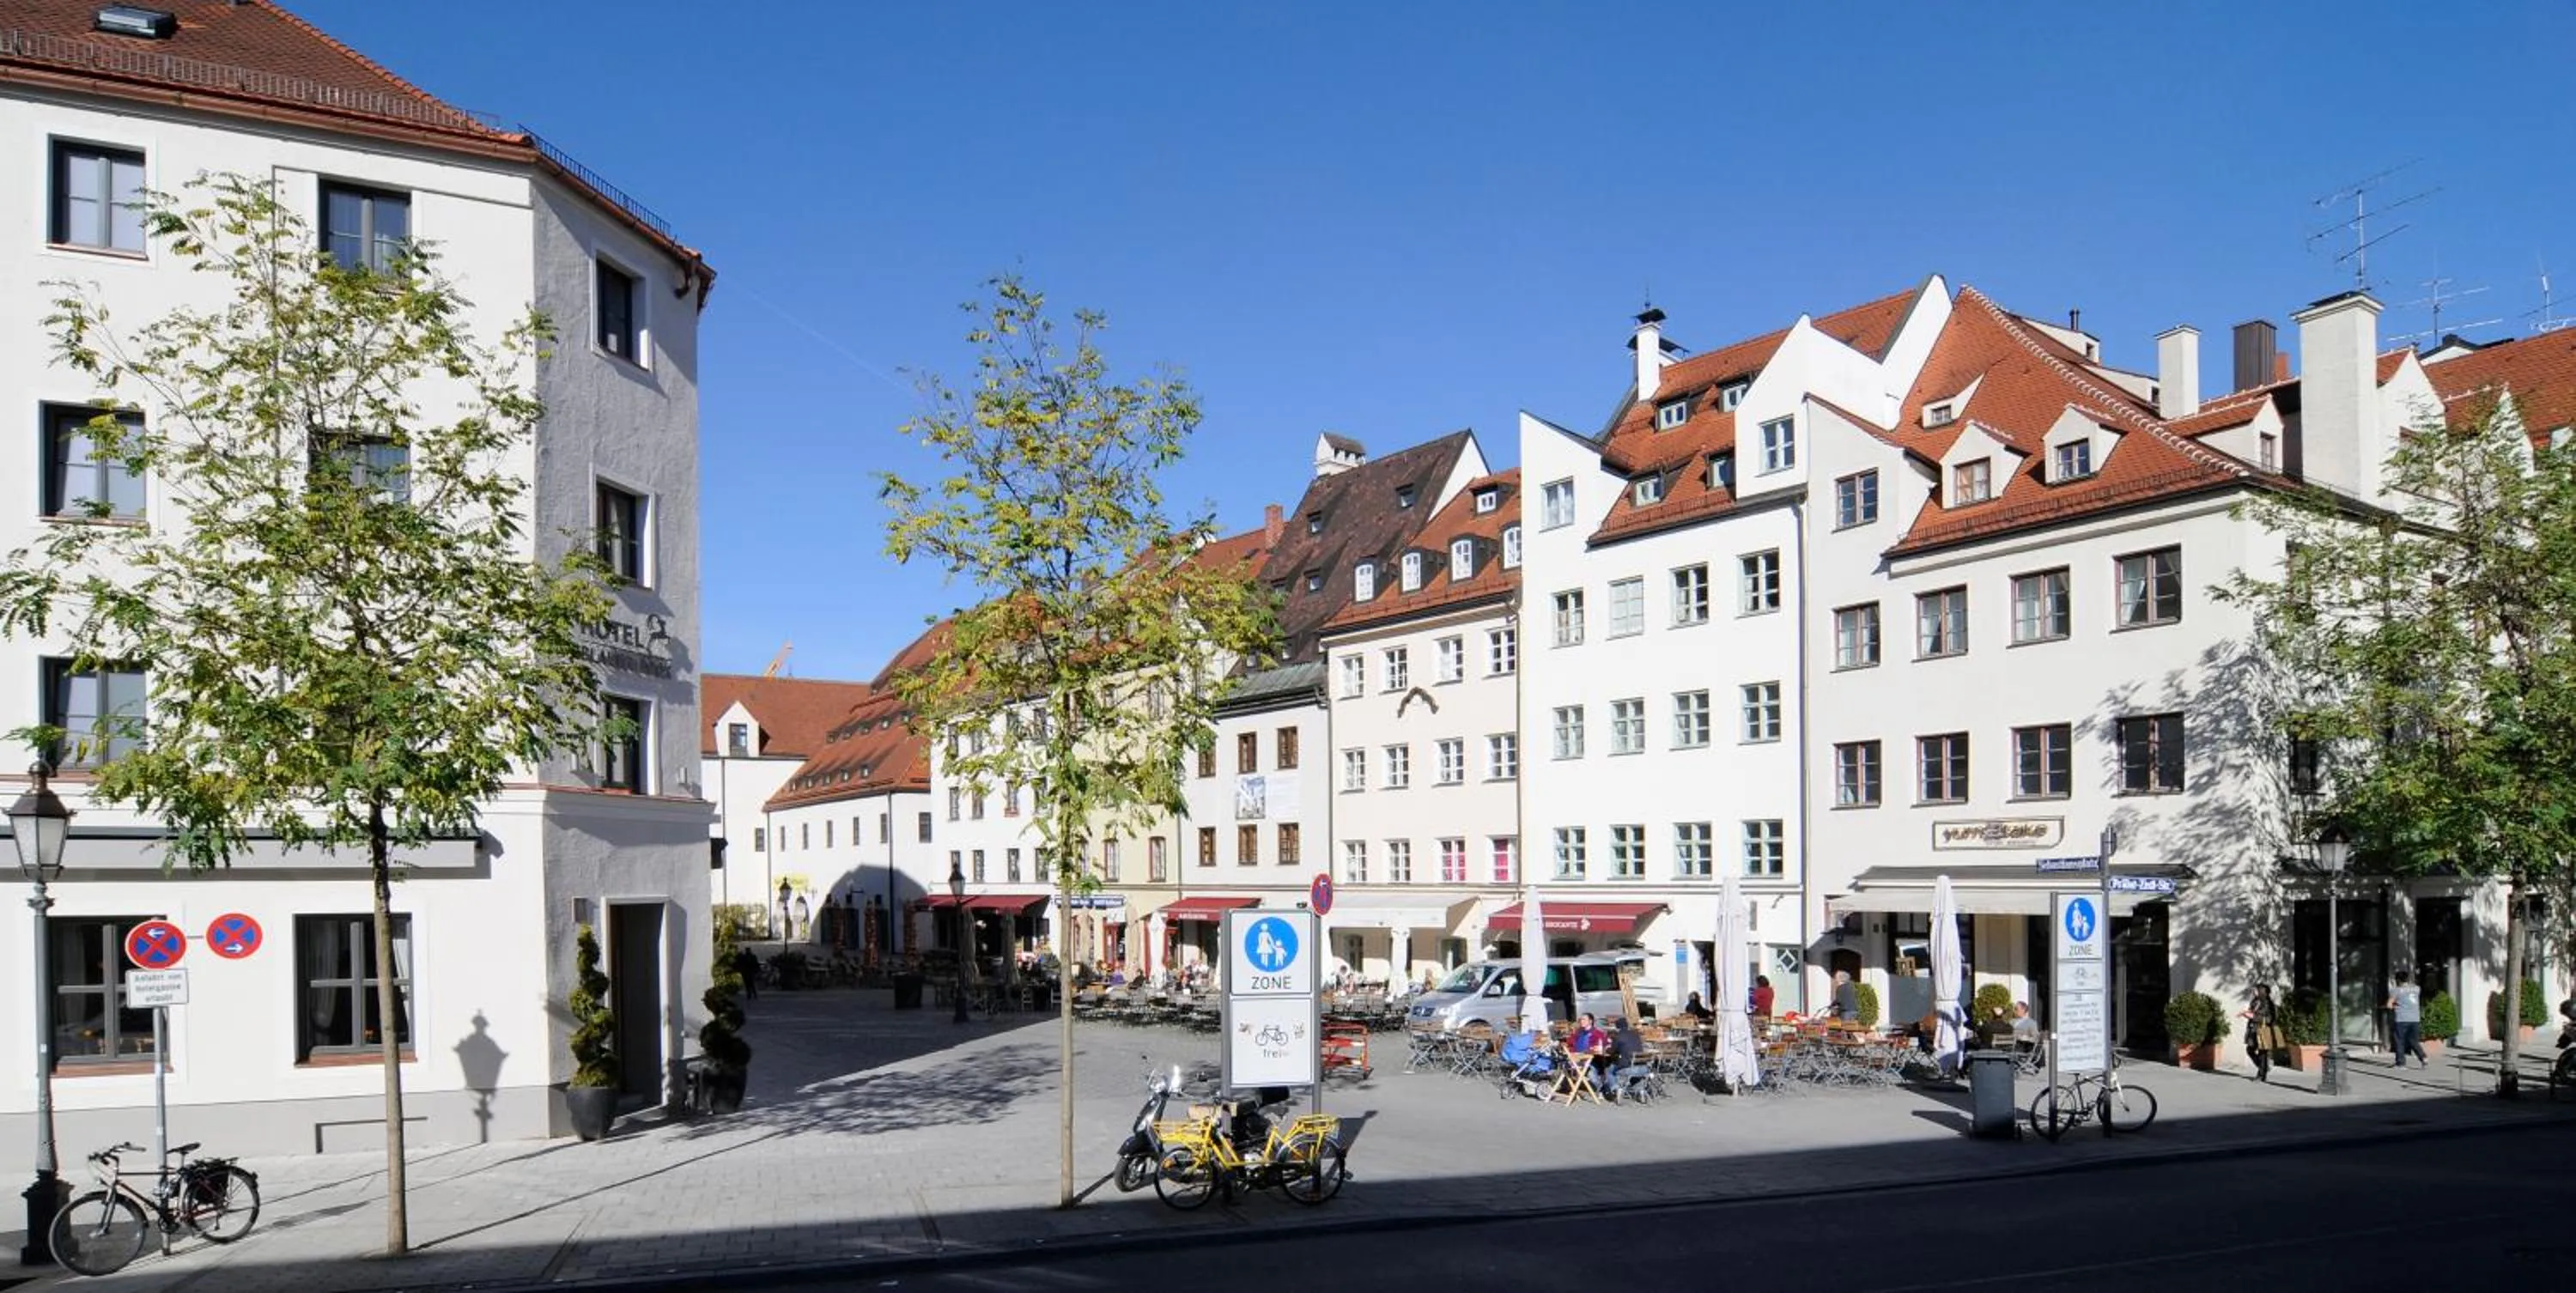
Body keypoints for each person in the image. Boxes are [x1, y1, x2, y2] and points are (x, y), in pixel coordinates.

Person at [2386, 970, 2429, 1068]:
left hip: (2402, 1019)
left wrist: (2395, 1006)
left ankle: (2401, 1064)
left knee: (2400, 1041)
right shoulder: (2417, 989)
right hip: (2415, 1019)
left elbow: (2389, 1005)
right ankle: (2423, 1057)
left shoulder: (2396, 990)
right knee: (2413, 1040)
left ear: (2397, 980)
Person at [1606, 1016, 1651, 1100]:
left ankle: (1616, 1089)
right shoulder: (1636, 1035)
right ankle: (1639, 1090)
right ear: (1627, 1026)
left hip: (1629, 1068)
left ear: (1617, 1027)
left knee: (1609, 1070)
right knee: (1631, 1069)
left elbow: (1612, 1051)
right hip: (1644, 1068)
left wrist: (1607, 1049)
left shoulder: (1618, 1036)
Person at [2243, 984, 2280, 1083]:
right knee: (2250, 1050)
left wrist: (2253, 1017)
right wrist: (2247, 1014)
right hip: (2253, 1030)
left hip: (2264, 1030)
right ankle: (2263, 1068)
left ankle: (2261, 1075)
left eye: (2257, 990)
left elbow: (2270, 1019)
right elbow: (2253, 1012)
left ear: (2263, 992)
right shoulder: (2255, 1001)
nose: (2255, 992)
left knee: (2262, 1053)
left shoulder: (2269, 1004)